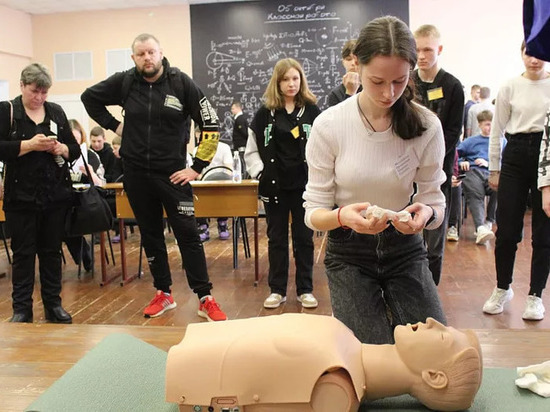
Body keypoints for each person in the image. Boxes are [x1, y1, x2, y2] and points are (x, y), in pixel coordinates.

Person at [303, 16, 447, 344]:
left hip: (405, 248)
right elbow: (313, 211)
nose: (388, 93)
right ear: (357, 64)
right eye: (377, 81)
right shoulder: (330, 125)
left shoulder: (426, 126)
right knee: (369, 361)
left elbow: (434, 201)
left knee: (435, 351)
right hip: (349, 252)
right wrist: (341, 217)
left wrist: (425, 214)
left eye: (399, 81)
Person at [81, 33, 227, 321]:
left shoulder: (181, 83)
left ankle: (205, 297)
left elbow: (211, 122)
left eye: (151, 52)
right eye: (140, 54)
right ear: (134, 58)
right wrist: (115, 127)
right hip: (135, 175)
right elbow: (89, 97)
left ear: (161, 53)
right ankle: (164, 293)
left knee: (188, 236)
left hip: (173, 175)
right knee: (150, 235)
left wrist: (197, 167)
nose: (147, 58)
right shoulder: (125, 82)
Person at [167, 314, 482, 412]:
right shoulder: (342, 349)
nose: (432, 321)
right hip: (197, 354)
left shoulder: (336, 389)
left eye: (443, 336)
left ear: (434, 377)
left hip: (194, 377)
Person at [0, 63, 80, 323]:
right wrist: (29, 145)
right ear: (22, 85)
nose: (39, 97)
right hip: (20, 197)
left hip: (54, 196)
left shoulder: (56, 112)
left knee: (51, 252)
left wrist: (61, 150)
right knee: (23, 255)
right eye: (35, 91)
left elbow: (75, 149)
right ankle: (21, 309)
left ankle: (53, 305)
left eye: (44, 92)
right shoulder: (7, 111)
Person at [245, 57, 321, 309]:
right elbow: (251, 150)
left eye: (295, 78)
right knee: (276, 239)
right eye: (286, 79)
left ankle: (305, 289)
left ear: (301, 80)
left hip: (304, 188)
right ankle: (277, 290)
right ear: (277, 83)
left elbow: (323, 148)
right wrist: (259, 173)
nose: (291, 84)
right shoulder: (264, 114)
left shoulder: (312, 111)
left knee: (304, 239)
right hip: (274, 187)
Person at [484, 41, 550, 321]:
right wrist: (494, 169)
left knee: (544, 231)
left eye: (540, 54)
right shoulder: (509, 86)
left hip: (546, 153)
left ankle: (535, 295)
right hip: (515, 152)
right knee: (507, 229)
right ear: (521, 53)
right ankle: (502, 287)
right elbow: (497, 131)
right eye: (528, 53)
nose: (534, 60)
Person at [413, 24, 465, 286]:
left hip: (438, 174)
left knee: (434, 243)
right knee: (408, 242)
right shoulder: (407, 81)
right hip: (405, 174)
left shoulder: (453, 85)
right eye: (417, 49)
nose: (421, 55)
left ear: (439, 50)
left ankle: (430, 292)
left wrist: (435, 161)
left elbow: (454, 131)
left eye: (427, 50)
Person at [64, 118, 106, 271]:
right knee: (59, 219)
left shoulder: (91, 156)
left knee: (69, 219)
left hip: (88, 201)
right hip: (67, 200)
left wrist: (90, 172)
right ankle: (83, 252)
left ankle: (85, 253)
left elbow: (101, 184)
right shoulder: (59, 156)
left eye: (76, 139)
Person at [457, 110, 504, 245]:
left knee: (500, 187)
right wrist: (461, 162)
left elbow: (507, 161)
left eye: (491, 125)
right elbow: (456, 155)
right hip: (474, 171)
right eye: (486, 125)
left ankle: (489, 221)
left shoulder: (501, 141)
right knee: (475, 193)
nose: (489, 128)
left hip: (493, 171)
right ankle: (480, 227)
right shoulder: (471, 141)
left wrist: (489, 163)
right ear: (480, 125)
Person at [192, 125, 233, 241]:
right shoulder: (197, 150)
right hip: (204, 183)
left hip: (222, 182)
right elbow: (196, 171)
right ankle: (203, 226)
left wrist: (220, 179)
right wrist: (202, 179)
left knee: (223, 192)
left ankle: (222, 224)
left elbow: (228, 168)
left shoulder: (224, 148)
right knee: (197, 194)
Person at [327, 39, 362, 107]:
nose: (353, 63)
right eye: (349, 59)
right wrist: (349, 93)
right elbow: (343, 117)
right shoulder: (335, 94)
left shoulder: (371, 88)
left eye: (357, 59)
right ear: (343, 62)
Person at [230, 100, 248, 178]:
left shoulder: (240, 119)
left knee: (242, 163)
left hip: (241, 146)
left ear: (238, 108)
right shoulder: (239, 118)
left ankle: (244, 177)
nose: (232, 111)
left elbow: (244, 132)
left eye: (233, 109)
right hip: (239, 146)